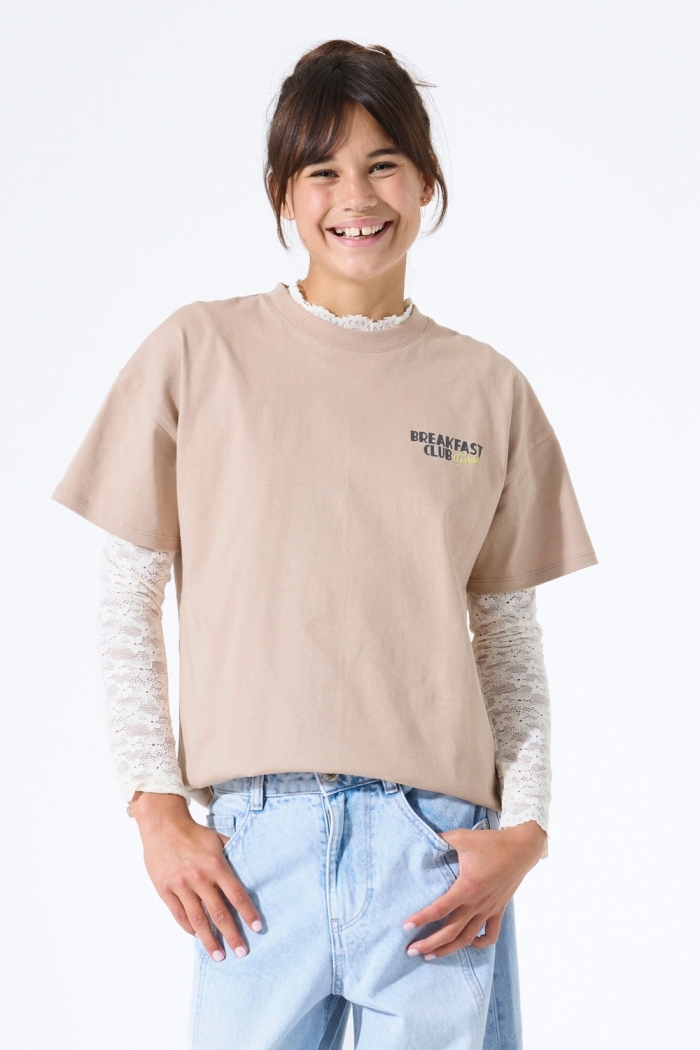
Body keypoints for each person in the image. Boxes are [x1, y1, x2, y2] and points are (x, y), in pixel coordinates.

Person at [52, 40, 597, 1050]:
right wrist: (154, 804)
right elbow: (127, 597)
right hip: (253, 852)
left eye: (384, 164)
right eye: (322, 171)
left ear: (426, 181)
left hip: (436, 850)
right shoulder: (198, 353)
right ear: (282, 194)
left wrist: (526, 827)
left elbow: (506, 637)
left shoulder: (488, 390)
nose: (356, 197)